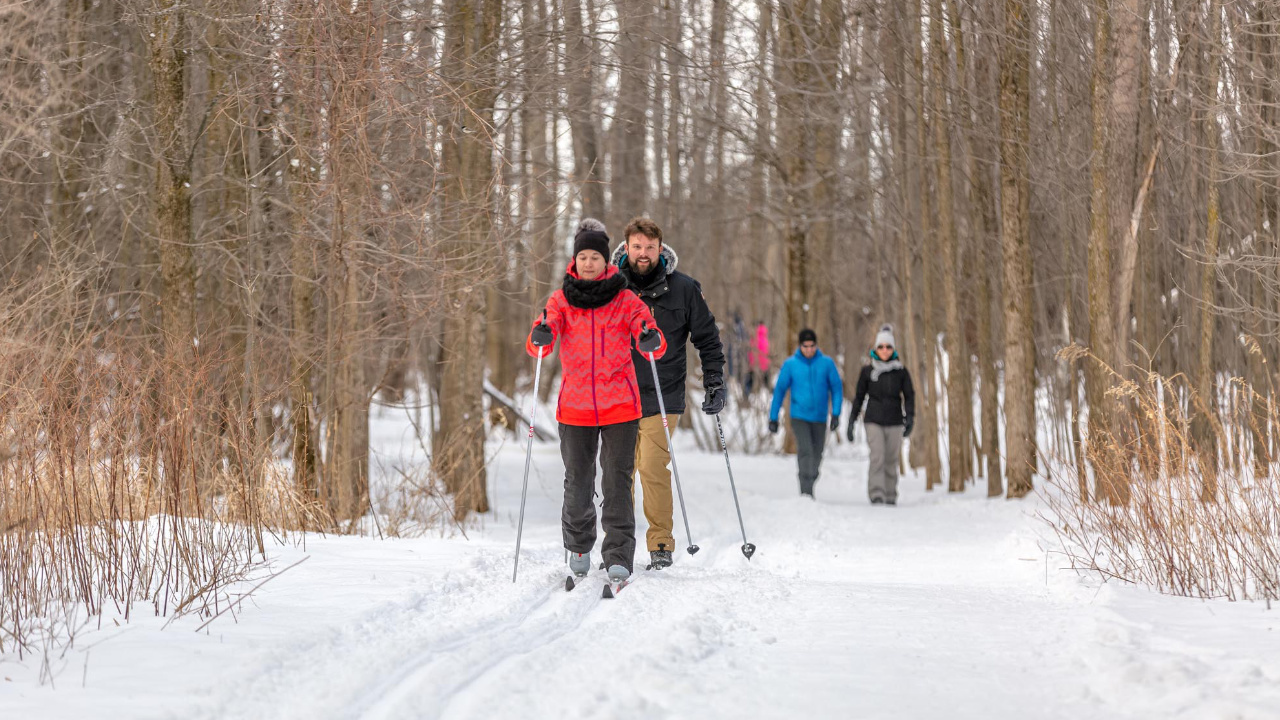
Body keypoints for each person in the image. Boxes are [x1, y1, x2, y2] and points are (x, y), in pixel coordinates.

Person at [527, 219, 667, 584]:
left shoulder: (624, 299)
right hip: (575, 410)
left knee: (616, 484)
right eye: (583, 256)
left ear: (607, 261)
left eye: (595, 257)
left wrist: (650, 337)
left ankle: (619, 554)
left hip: (620, 406)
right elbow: (544, 331)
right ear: (575, 259)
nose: (589, 263)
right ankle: (578, 546)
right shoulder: (561, 299)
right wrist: (540, 335)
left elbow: (645, 326)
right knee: (578, 482)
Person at [610, 217, 724, 569]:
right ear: (625, 248)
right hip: (617, 395)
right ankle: (618, 545)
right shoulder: (609, 288)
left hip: (663, 392)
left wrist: (714, 381)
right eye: (637, 247)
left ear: (661, 249)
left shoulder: (684, 289)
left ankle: (660, 542)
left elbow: (707, 338)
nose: (643, 254)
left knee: (651, 465)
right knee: (619, 470)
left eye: (649, 247)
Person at [768, 329, 843, 498]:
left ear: (816, 345)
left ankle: (811, 480)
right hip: (799, 416)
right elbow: (779, 391)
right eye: (805, 346)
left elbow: (837, 388)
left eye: (812, 346)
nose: (809, 349)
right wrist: (773, 417)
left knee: (817, 454)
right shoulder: (791, 365)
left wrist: (836, 413)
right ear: (800, 346)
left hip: (820, 416)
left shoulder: (827, 364)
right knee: (806, 450)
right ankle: (806, 491)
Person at [846, 324, 916, 506]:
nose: (884, 350)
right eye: (881, 347)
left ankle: (891, 494)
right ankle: (877, 494)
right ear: (876, 349)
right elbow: (859, 397)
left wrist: (910, 417)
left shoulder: (900, 371)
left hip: (894, 420)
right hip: (873, 420)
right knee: (878, 456)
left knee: (891, 459)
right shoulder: (868, 371)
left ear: (893, 349)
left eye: (888, 347)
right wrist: (851, 421)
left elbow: (909, 396)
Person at [746, 320, 770, 396]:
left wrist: (751, 363)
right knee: (765, 382)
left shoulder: (755, 338)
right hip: (765, 365)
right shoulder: (765, 338)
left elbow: (751, 353)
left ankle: (748, 394)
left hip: (755, 364)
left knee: (751, 381)